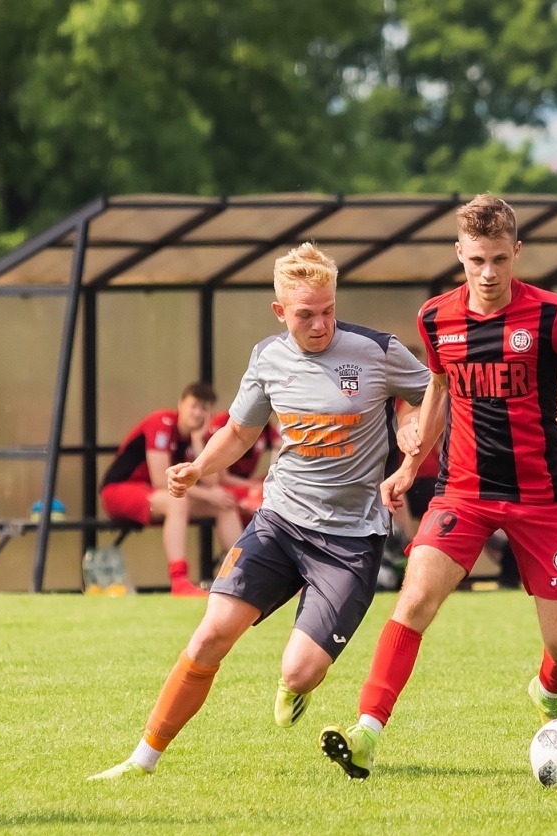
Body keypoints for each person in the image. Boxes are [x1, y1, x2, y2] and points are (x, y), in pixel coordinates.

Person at [88, 243, 427, 779]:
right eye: (305, 314)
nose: (320, 325)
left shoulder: (375, 350)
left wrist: (410, 428)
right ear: (279, 311)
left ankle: (295, 685)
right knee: (210, 633)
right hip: (280, 523)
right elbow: (240, 432)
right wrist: (198, 467)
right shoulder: (268, 358)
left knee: (299, 671)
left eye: (328, 311)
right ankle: (142, 759)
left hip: (350, 539)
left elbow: (431, 393)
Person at [319, 194, 557, 781]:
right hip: (463, 492)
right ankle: (366, 732)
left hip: (540, 499)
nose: (488, 274)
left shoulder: (553, 316)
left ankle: (547, 692)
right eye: (476, 261)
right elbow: (439, 390)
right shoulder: (436, 318)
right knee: (413, 602)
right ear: (460, 253)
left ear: (517, 252)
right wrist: (411, 466)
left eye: (498, 261)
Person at [99, 382, 244, 596]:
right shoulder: (162, 422)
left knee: (225, 504)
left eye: (204, 408)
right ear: (181, 404)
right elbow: (160, 480)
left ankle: (241, 576)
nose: (197, 413)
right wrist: (207, 495)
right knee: (179, 501)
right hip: (120, 491)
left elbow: (212, 482)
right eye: (193, 406)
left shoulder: (199, 436)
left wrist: (197, 441)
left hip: (159, 496)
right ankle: (179, 580)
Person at [206, 409, 279, 522]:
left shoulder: (265, 426)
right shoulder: (224, 423)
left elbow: (289, 446)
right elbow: (222, 478)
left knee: (277, 484)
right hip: (226, 486)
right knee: (262, 494)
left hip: (246, 483)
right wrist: (253, 486)